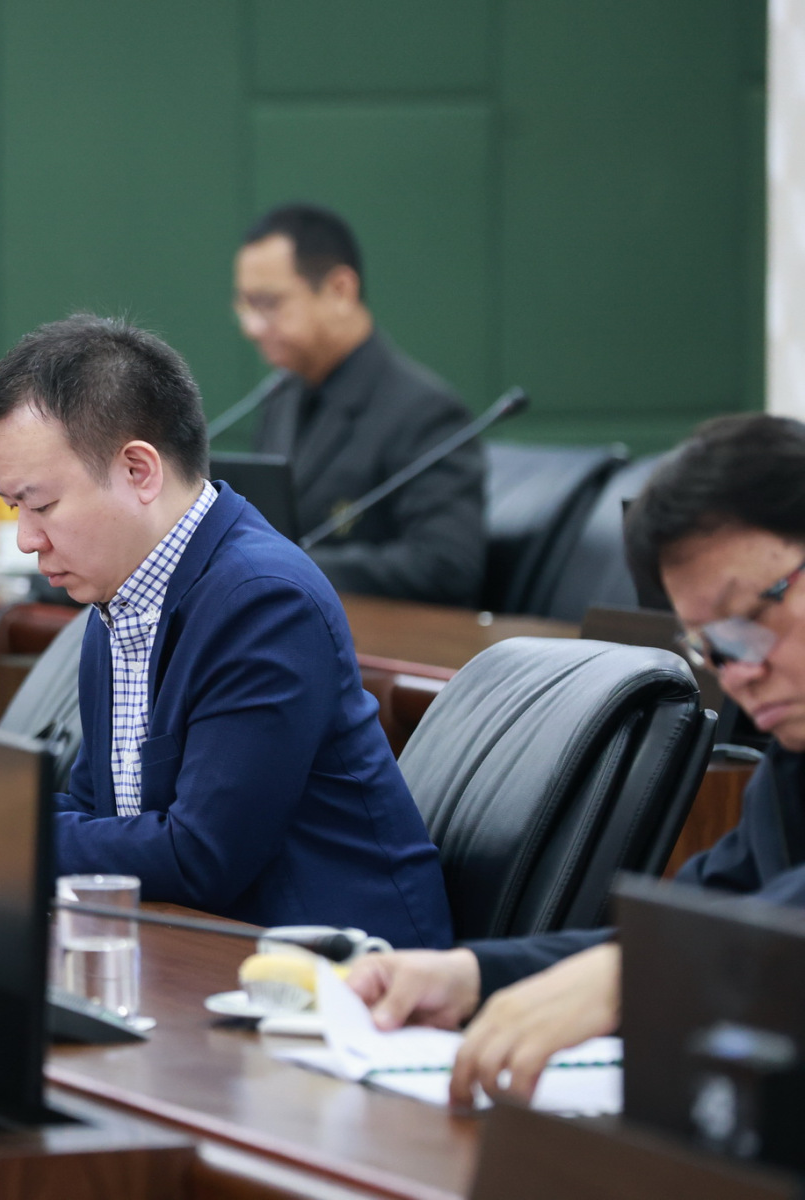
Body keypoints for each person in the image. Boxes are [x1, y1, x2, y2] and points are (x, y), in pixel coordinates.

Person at [0, 315, 453, 949]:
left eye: (41, 505)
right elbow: (96, 817)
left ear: (139, 470)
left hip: (347, 975)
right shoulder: (121, 596)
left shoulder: (263, 602)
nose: (25, 539)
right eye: (14, 508)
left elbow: (199, 856)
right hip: (205, 946)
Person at [345, 413, 805, 1105]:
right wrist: (472, 976)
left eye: (747, 623)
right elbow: (701, 922)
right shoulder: (790, 770)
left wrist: (638, 972)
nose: (738, 674)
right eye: (709, 648)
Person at [239, 204, 485, 606]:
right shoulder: (281, 397)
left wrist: (283, 567)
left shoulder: (424, 412)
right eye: (245, 304)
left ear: (340, 290)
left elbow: (446, 566)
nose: (251, 326)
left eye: (268, 302)